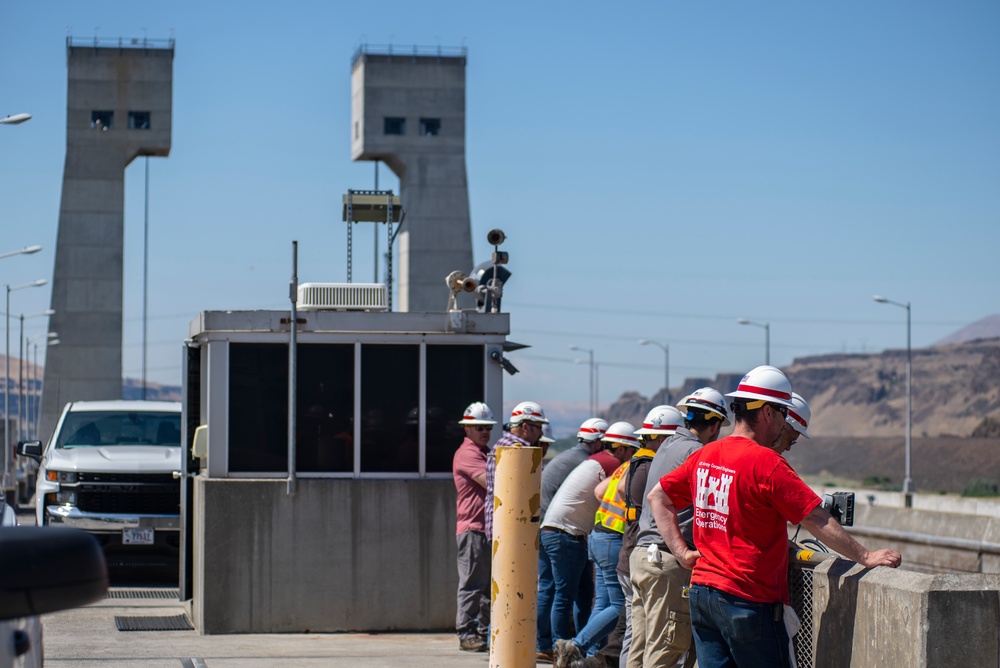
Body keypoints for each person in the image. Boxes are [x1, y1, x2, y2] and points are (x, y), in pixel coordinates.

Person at [649, 366, 902, 668]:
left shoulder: (706, 454)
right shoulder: (767, 463)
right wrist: (866, 556)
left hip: (703, 594)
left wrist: (681, 552)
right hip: (747, 600)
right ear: (768, 413)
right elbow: (816, 519)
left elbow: (658, 498)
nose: (784, 425)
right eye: (783, 413)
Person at [628, 388, 729, 668]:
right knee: (666, 649)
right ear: (716, 424)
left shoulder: (668, 444)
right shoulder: (697, 452)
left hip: (642, 556)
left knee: (641, 645)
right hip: (666, 562)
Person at [554, 422, 640, 668]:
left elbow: (600, 491)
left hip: (598, 535)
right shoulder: (634, 467)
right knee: (618, 605)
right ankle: (576, 645)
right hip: (614, 537)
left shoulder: (622, 466)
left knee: (602, 602)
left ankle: (589, 650)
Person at [538, 426, 622, 664]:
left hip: (558, 530)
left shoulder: (591, 459)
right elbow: (603, 492)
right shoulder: (610, 464)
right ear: (624, 447)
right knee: (566, 595)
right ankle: (564, 648)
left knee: (583, 595)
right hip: (567, 534)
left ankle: (576, 648)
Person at [452, 401, 496, 653]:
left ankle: (481, 632)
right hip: (474, 529)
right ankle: (467, 633)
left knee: (487, 588)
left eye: (487, 426)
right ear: (467, 429)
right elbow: (494, 481)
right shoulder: (468, 454)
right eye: (479, 427)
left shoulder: (483, 452)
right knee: (471, 584)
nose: (484, 431)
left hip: (484, 529)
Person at [484, 401, 548, 542]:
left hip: (501, 525)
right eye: (538, 427)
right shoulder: (520, 450)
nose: (541, 432)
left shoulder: (501, 444)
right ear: (525, 426)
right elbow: (537, 484)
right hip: (512, 528)